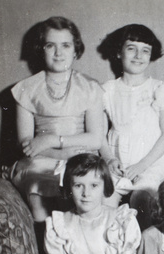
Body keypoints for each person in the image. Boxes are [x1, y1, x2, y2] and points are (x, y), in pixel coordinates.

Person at [10, 17, 104, 232]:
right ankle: (47, 252)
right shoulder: (26, 88)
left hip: (81, 159)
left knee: (81, 186)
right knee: (36, 184)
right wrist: (59, 152)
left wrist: (53, 140)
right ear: (41, 50)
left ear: (75, 50)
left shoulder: (90, 87)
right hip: (43, 160)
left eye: (65, 45)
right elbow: (27, 144)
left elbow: (95, 138)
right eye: (50, 45)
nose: (58, 53)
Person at [100, 24, 164, 228]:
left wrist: (141, 166)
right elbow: (99, 136)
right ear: (119, 53)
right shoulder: (108, 90)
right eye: (131, 48)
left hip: (149, 165)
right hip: (118, 165)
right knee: (102, 203)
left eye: (145, 50)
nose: (138, 55)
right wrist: (110, 159)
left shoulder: (160, 88)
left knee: (143, 201)